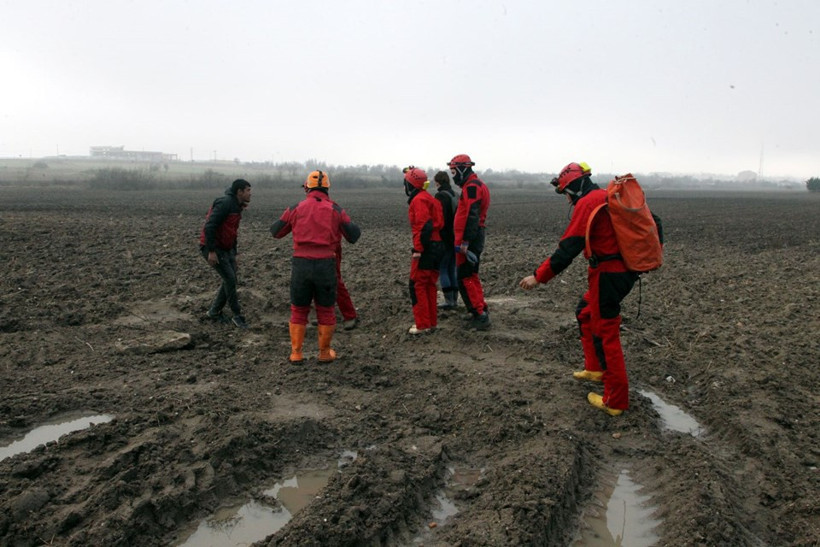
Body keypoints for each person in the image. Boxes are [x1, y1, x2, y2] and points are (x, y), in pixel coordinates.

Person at [519, 162, 639, 416]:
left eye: (566, 193)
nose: (567, 200)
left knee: (606, 334)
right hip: (618, 272)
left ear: (573, 186)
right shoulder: (605, 197)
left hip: (608, 275)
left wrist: (538, 277)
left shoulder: (588, 203)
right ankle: (594, 368)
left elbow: (568, 248)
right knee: (585, 311)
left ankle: (615, 401)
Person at [271, 170, 361, 363]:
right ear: (327, 188)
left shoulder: (296, 207)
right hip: (326, 265)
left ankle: (296, 353)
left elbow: (276, 231)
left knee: (299, 309)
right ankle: (324, 353)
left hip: (301, 264)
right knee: (326, 309)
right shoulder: (335, 209)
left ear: (307, 188)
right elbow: (353, 235)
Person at [199, 178, 252, 329]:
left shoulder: (237, 206)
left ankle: (214, 312)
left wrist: (234, 253)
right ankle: (237, 315)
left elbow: (232, 231)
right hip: (214, 248)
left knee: (231, 278)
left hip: (226, 248)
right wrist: (211, 251)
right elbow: (210, 226)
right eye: (248, 190)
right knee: (230, 279)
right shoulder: (225, 204)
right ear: (239, 192)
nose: (250, 194)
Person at [449, 154, 491, 330]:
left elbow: (471, 215)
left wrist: (465, 241)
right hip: (473, 236)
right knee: (471, 275)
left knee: (465, 277)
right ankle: (480, 309)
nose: (453, 176)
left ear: (461, 169)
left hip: (469, 239)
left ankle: (479, 315)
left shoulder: (472, 187)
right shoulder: (476, 185)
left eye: (453, 171)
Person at [403, 167, 445, 335]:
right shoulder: (429, 198)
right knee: (429, 284)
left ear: (410, 184)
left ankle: (422, 324)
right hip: (437, 246)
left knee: (417, 285)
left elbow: (424, 225)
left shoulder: (418, 200)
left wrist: (418, 249)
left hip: (427, 247)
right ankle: (430, 322)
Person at [433, 170, 459, 310]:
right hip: (456, 236)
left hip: (444, 237)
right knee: (452, 268)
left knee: (443, 268)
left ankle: (449, 301)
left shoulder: (440, 196)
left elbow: (440, 218)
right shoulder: (455, 194)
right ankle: (454, 299)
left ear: (437, 182)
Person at [334, 242, 360, 330]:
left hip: (329, 247)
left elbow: (351, 234)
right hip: (307, 247)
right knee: (314, 280)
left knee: (334, 280)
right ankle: (322, 313)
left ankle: (349, 315)